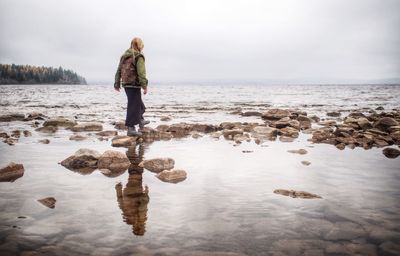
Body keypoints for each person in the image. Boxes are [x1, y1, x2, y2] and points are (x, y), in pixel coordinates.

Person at [114, 37, 149, 136]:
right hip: (134, 84)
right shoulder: (138, 56)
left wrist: (117, 83)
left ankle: (141, 120)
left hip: (126, 83)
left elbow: (118, 70)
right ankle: (131, 128)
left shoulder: (124, 56)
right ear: (139, 46)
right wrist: (144, 86)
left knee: (137, 102)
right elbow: (141, 73)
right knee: (133, 105)